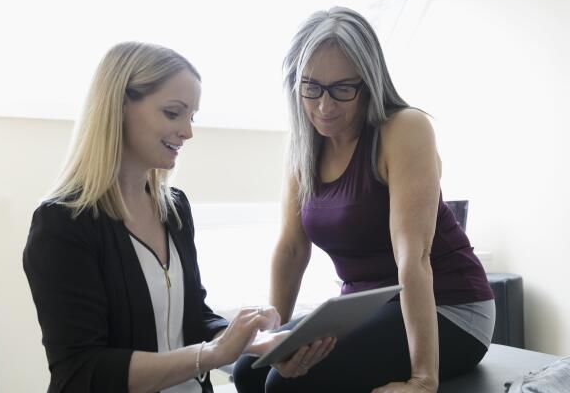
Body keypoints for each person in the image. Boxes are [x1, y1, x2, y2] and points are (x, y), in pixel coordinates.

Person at [22, 42, 335, 393]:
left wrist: (252, 340)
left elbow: (193, 318)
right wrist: (214, 352)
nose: (187, 132)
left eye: (191, 116)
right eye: (173, 113)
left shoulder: (174, 209)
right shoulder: (62, 224)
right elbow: (81, 371)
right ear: (120, 106)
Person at [232, 7, 496, 393]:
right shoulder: (304, 146)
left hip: (450, 307)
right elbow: (291, 250)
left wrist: (423, 380)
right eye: (311, 87)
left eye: (342, 89)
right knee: (249, 370)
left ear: (369, 83)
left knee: (287, 387)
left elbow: (413, 257)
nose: (325, 106)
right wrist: (277, 339)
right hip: (364, 308)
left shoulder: (404, 129)